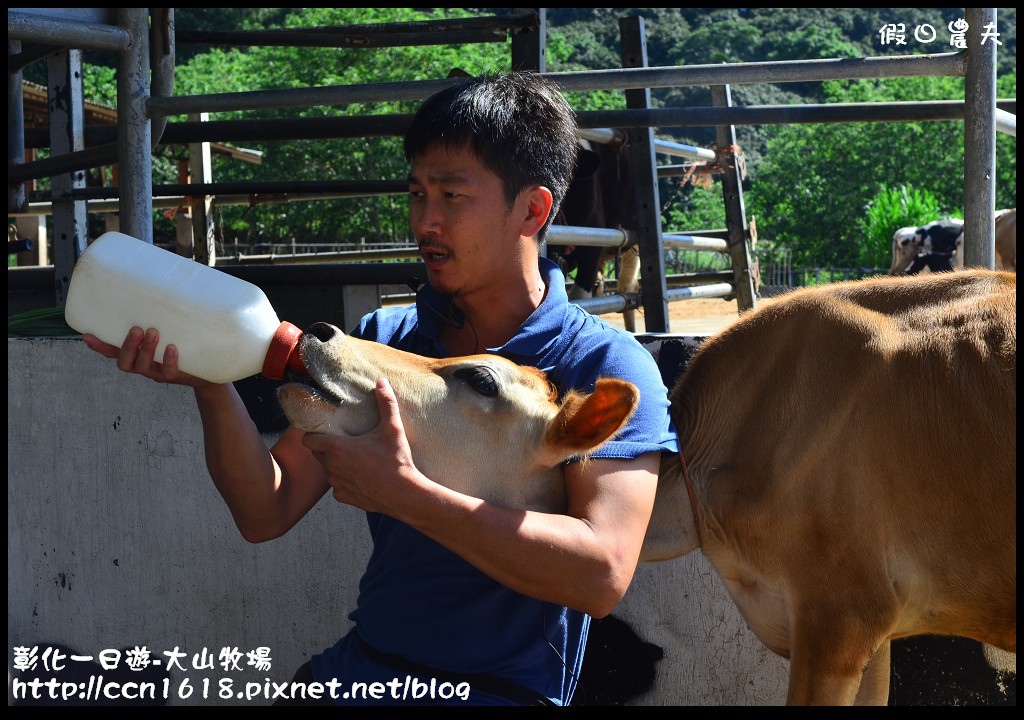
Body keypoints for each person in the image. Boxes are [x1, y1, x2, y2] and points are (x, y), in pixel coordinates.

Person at [83, 71, 678, 706]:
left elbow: (601, 575)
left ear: (531, 209)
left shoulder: (601, 363)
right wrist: (208, 380)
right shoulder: (383, 337)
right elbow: (266, 510)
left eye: (452, 196)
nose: (426, 219)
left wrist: (405, 495)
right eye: (418, 193)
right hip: (357, 670)